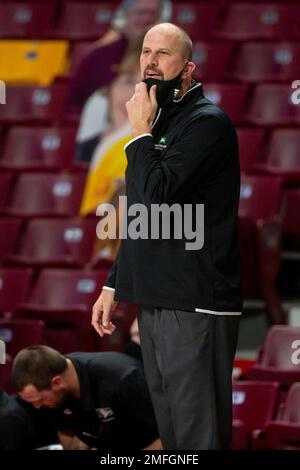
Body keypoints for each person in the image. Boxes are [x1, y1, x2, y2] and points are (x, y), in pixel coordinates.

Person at [91, 22, 242, 450]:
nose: (151, 63)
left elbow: (156, 198)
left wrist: (138, 132)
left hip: (196, 300)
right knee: (173, 433)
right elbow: (141, 213)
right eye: (145, 52)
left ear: (188, 68)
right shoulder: (155, 122)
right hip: (157, 296)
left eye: (163, 54)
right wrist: (114, 281)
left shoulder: (207, 124)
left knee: (197, 435)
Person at [12, 345, 162, 451]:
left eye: (38, 400)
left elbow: (169, 437)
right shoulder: (51, 396)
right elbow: (65, 431)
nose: (37, 407)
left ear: (57, 382)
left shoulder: (123, 379)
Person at [68, 0, 169, 114]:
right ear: (126, 14)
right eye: (141, 12)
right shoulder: (96, 57)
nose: (147, 19)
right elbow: (74, 106)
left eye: (153, 13)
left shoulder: (170, 58)